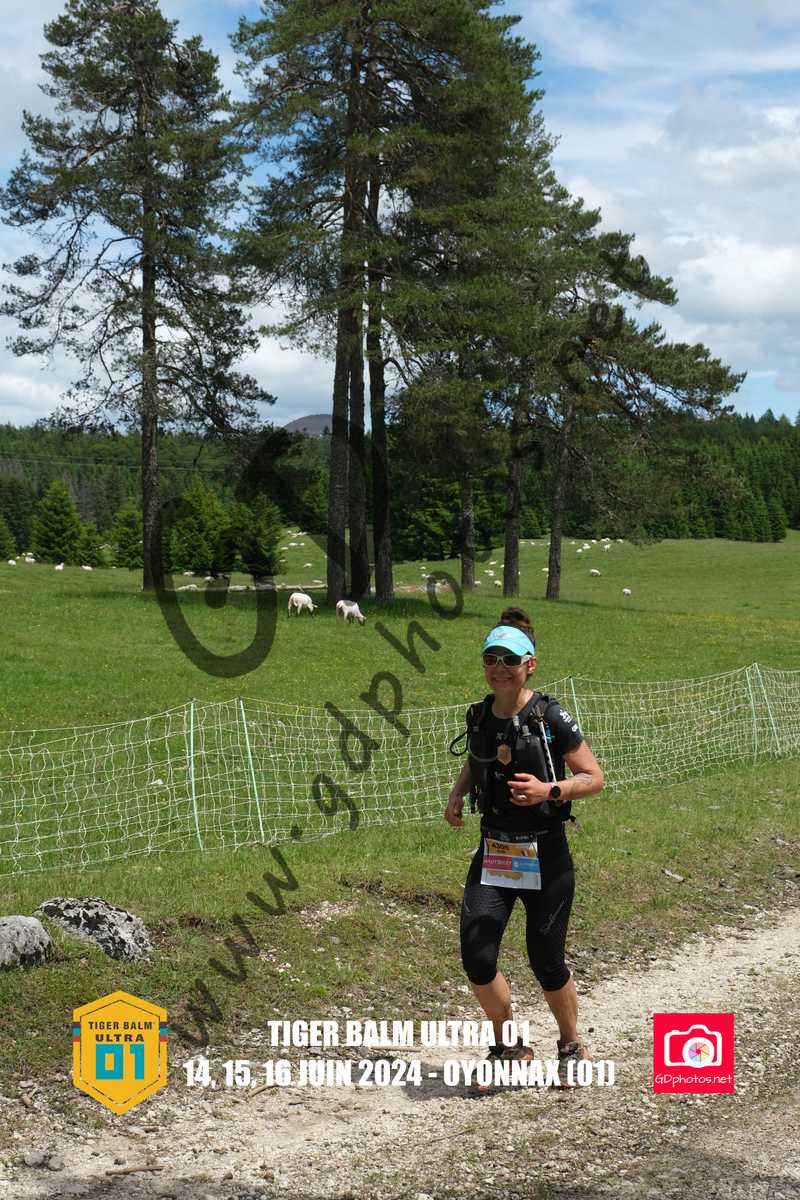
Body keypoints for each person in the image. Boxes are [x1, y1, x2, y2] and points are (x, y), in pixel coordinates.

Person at [445, 606, 604, 1081]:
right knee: (477, 956)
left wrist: (547, 791)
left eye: (510, 660)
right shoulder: (479, 715)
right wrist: (456, 794)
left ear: (529, 665)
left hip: (546, 852)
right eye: (491, 659)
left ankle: (571, 1044)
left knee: (546, 961)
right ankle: (509, 1047)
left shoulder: (550, 716)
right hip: (495, 851)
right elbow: (476, 759)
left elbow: (593, 777)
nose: (499, 668)